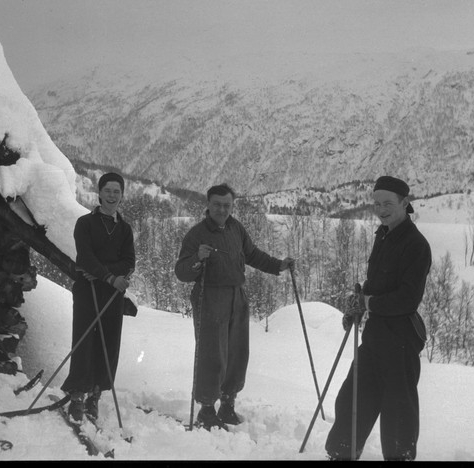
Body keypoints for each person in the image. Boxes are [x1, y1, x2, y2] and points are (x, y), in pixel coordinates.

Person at [324, 175, 432, 461]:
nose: (381, 209)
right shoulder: (383, 235)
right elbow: (375, 283)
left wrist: (368, 301)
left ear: (404, 203)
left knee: (398, 413)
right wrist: (358, 306)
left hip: (400, 341)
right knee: (352, 399)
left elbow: (408, 299)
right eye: (376, 204)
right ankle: (341, 453)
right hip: (375, 336)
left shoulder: (416, 244)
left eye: (388, 203)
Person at [175, 183, 295, 430]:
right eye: (217, 204)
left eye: (227, 205)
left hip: (237, 296)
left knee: (237, 352)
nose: (222, 209)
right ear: (208, 205)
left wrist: (278, 266)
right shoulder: (196, 234)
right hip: (210, 298)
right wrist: (198, 258)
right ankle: (207, 410)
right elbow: (181, 272)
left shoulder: (236, 228)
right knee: (212, 353)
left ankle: (227, 404)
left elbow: (252, 254)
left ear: (232, 205)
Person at [62, 172, 135, 423]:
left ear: (122, 195)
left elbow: (129, 262)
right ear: (99, 193)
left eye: (117, 191)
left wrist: (107, 276)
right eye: (108, 190)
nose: (112, 196)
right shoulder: (85, 223)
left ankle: (95, 394)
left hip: (112, 292)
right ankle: (77, 396)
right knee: (84, 340)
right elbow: (85, 257)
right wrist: (108, 274)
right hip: (88, 290)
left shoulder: (124, 229)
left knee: (109, 342)